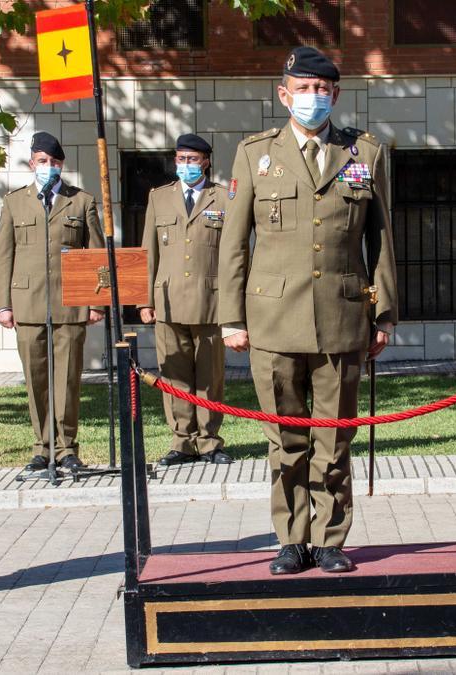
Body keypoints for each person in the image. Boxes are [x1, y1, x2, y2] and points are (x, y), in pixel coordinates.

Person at [219, 46, 398, 575]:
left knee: (334, 437)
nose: (312, 98)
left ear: (336, 95)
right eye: (303, 88)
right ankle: (291, 537)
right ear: (284, 94)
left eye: (322, 89)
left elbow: (382, 238)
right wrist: (231, 317)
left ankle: (330, 538)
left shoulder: (365, 153)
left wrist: (383, 313)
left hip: (343, 321)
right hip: (272, 322)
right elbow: (234, 242)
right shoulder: (255, 154)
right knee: (284, 440)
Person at [0, 131, 106, 472]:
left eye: (55, 162)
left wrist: (97, 301)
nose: (49, 167)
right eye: (43, 161)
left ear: (62, 165)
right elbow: (4, 256)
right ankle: (42, 447)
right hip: (27, 304)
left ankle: (66, 448)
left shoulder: (81, 201)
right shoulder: (15, 202)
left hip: (70, 304)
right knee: (36, 378)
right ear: (32, 164)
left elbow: (97, 254)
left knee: (68, 380)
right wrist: (3, 304)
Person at [139, 133, 233, 467]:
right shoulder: (159, 198)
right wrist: (144, 301)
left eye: (192, 159)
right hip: (167, 300)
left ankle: (209, 441)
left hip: (212, 300)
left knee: (210, 375)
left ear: (206, 161)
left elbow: (235, 253)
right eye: (181, 159)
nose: (186, 165)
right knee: (174, 374)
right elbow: (148, 251)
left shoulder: (223, 197)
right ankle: (182, 441)